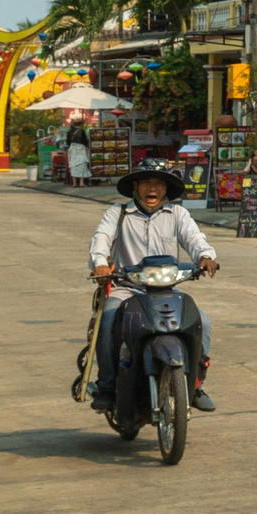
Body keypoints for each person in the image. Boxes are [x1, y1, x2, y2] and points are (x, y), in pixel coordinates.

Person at [88, 165, 220, 411]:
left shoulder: (177, 214)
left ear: (166, 188)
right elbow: (101, 239)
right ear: (135, 186)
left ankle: (195, 385)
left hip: (167, 290)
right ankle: (107, 386)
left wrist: (205, 256)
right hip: (127, 289)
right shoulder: (118, 213)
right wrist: (100, 264)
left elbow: (194, 238)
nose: (153, 188)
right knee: (107, 320)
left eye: (159, 183)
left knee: (202, 322)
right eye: (147, 183)